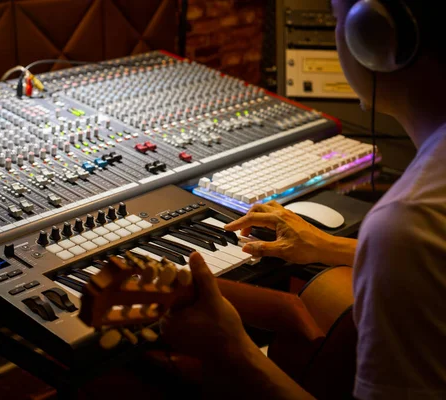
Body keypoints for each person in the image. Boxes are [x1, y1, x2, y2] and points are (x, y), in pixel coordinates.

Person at [162, 1, 446, 399]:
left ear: (375, 37)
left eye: (338, 21)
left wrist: (233, 349)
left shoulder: (410, 220)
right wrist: (329, 245)